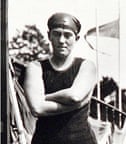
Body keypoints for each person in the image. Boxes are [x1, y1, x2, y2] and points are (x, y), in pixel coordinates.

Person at [23, 12, 98, 144]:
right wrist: (77, 105)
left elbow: (75, 96)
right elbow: (37, 108)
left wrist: (44, 97)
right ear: (49, 35)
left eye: (68, 35)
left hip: (81, 140)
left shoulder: (86, 66)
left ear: (77, 38)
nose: (62, 40)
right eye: (57, 34)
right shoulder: (35, 67)